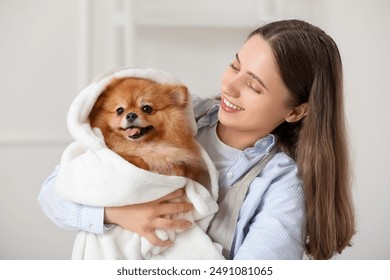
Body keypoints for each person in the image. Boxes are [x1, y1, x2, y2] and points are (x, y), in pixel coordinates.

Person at [38, 19, 355, 260]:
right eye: (234, 65)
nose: (230, 88)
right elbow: (54, 193)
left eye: (254, 86)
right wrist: (115, 214)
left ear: (296, 111)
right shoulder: (177, 116)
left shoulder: (280, 186)